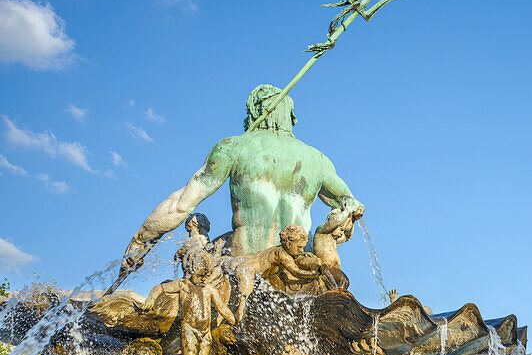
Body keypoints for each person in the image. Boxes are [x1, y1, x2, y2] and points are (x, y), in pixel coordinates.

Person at [119, 84, 364, 274]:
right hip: (302, 265)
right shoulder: (318, 160)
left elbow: (180, 206)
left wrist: (140, 241)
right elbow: (349, 205)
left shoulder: (233, 147)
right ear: (290, 115)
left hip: (246, 263)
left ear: (256, 111)